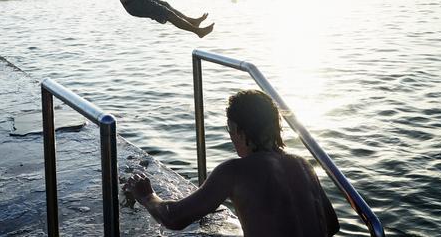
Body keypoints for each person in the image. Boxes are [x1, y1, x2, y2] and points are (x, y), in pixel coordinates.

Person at [124, 89, 340, 237]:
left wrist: (148, 196)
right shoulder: (303, 165)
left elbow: (174, 218)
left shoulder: (235, 171)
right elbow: (331, 225)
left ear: (239, 130)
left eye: (230, 130)